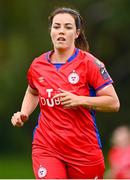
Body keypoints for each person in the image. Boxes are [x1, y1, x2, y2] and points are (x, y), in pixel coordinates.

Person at [11, 7, 120, 179]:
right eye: (57, 26)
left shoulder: (90, 63)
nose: (61, 31)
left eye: (68, 27)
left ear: (77, 33)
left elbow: (113, 103)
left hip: (84, 150)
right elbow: (33, 91)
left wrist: (79, 100)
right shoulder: (38, 65)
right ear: (51, 31)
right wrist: (24, 113)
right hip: (46, 147)